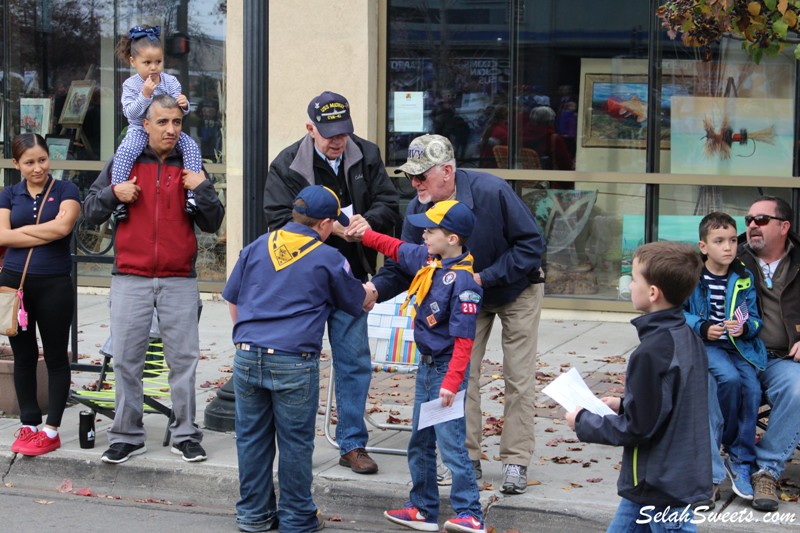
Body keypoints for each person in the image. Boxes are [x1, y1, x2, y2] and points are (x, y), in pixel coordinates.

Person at [367, 134, 545, 494]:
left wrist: (483, 277)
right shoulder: (419, 210)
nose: (414, 184)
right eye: (410, 178)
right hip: (461, 296)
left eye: (421, 177)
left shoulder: (491, 191)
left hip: (515, 288)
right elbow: (406, 264)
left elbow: (532, 245)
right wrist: (374, 290)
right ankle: (467, 460)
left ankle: (515, 460)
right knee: (461, 375)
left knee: (518, 376)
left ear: (447, 171)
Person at [82, 94, 224, 464]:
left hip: (179, 278)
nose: (171, 129)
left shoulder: (190, 164)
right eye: (162, 122)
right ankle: (128, 435)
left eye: (176, 122)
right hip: (131, 276)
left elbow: (212, 221)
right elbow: (90, 211)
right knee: (127, 361)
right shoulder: (125, 162)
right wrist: (115, 192)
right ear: (145, 124)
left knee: (184, 362)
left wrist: (202, 188)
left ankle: (185, 434)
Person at [263, 90, 399, 475]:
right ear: (310, 129)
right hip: (301, 282)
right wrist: (334, 229)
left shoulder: (366, 154)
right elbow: (276, 220)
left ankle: (353, 443)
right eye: (329, 134)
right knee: (295, 362)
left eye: (343, 132)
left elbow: (391, 203)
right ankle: (293, 443)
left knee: (354, 361)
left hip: (349, 276)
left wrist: (368, 220)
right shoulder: (287, 164)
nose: (338, 141)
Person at [224, 185, 367, 533]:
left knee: (252, 439)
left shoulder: (257, 246)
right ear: (325, 224)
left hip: (246, 355)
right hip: (293, 361)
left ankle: (254, 516)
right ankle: (297, 517)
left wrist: (252, 336)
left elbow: (233, 300)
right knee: (295, 442)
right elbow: (356, 302)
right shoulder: (329, 257)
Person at [355, 200, 485, 533]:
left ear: (453, 238)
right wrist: (365, 234)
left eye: (431, 230)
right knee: (421, 441)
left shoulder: (464, 283)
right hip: (427, 369)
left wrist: (452, 383)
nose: (424, 234)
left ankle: (470, 512)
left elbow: (464, 342)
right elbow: (396, 248)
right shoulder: (431, 261)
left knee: (452, 445)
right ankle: (423, 509)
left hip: (445, 373)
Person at [567, 241, 711, 532]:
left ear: (653, 293)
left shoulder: (651, 352)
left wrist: (583, 421)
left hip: (661, 485)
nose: (630, 285)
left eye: (634, 279)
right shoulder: (686, 336)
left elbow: (638, 429)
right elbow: (672, 402)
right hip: (659, 478)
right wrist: (623, 405)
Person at [1, 133, 80, 456]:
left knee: (57, 357)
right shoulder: (8, 194)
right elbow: (0, 234)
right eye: (29, 162)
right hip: (13, 285)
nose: (38, 168)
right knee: (23, 357)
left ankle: (51, 428)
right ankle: (30, 422)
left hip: (54, 285)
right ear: (17, 164)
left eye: (42, 160)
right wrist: (41, 231)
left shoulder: (66, 190)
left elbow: (63, 229)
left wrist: (18, 234)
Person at [683, 212, 765, 502]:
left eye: (732, 240)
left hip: (740, 346)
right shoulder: (692, 276)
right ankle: (732, 446)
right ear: (704, 246)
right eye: (719, 241)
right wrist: (703, 327)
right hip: (709, 345)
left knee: (752, 389)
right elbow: (680, 312)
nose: (728, 247)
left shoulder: (743, 277)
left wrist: (744, 328)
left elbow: (756, 319)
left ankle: (740, 459)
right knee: (727, 380)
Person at [737, 196, 800, 512]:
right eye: (749, 219)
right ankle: (709, 470)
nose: (751, 225)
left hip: (782, 360)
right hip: (737, 356)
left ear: (783, 227)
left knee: (798, 389)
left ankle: (766, 472)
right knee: (705, 381)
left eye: (761, 219)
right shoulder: (729, 258)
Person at [111, 25, 202, 221]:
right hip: (139, 129)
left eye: (158, 62)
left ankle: (192, 197)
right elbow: (130, 112)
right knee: (125, 153)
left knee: (192, 147)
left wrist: (184, 105)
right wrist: (145, 95)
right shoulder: (131, 85)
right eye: (147, 62)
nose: (153, 67)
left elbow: (178, 109)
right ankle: (118, 198)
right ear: (133, 61)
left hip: (167, 131)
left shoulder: (170, 81)